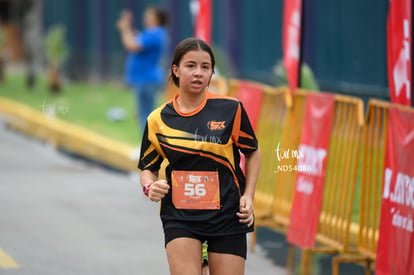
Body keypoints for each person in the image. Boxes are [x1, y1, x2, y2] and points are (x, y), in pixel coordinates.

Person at [138, 38, 261, 275]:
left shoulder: (230, 109)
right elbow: (147, 167)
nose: (198, 73)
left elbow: (253, 150)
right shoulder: (158, 119)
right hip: (180, 216)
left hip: (228, 214)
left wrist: (249, 195)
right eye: (191, 66)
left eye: (205, 67)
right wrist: (149, 187)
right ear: (176, 69)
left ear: (212, 72)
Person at [116, 6, 169, 134]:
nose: (145, 18)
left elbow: (132, 45)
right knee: (143, 114)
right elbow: (136, 38)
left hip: (146, 79)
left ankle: (148, 147)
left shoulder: (155, 33)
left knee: (146, 116)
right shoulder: (153, 33)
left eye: (148, 16)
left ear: (156, 19)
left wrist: (125, 29)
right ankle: (148, 146)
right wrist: (128, 28)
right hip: (145, 79)